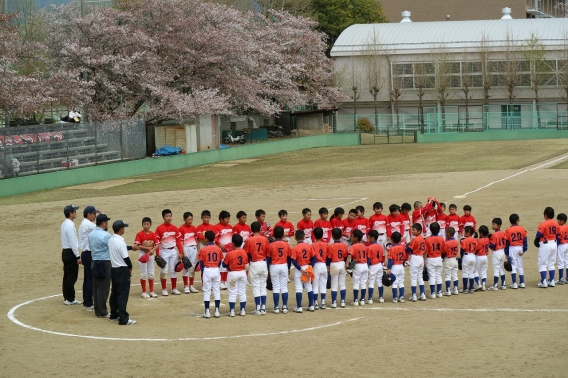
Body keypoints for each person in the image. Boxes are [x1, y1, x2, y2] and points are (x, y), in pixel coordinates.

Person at [108, 220, 136, 325]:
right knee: (122, 294)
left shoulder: (111, 239)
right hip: (122, 270)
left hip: (114, 269)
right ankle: (123, 318)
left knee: (114, 292)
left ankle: (113, 314)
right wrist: (130, 267)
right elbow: (126, 258)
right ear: (120, 229)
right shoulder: (120, 242)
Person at [155, 209, 184, 296]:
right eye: (167, 216)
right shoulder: (159, 228)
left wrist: (180, 252)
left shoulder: (175, 228)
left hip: (173, 251)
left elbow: (178, 241)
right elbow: (157, 242)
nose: (169, 218)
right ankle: (164, 289)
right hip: (164, 251)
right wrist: (157, 254)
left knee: (173, 270)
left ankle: (174, 289)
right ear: (163, 217)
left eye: (170, 216)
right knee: (164, 270)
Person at [88, 214, 112, 317]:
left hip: (94, 262)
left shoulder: (91, 234)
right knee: (104, 288)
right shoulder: (106, 235)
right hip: (104, 263)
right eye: (106, 222)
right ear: (103, 223)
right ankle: (102, 311)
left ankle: (97, 309)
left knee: (96, 287)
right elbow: (113, 246)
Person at [243, 222, 269, 315]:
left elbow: (247, 254)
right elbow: (267, 252)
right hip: (263, 263)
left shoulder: (249, 240)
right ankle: (263, 308)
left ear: (251, 230)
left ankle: (258, 308)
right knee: (263, 286)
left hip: (254, 264)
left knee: (256, 287)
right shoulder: (265, 239)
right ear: (260, 229)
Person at [222, 234, 249, 317]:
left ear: (232, 243)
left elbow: (223, 265)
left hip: (233, 274)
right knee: (242, 292)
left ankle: (232, 311)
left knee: (232, 293)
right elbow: (246, 264)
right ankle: (243, 310)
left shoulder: (230, 253)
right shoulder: (244, 252)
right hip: (242, 273)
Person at [78, 205, 99, 311]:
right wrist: (103, 215)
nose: (95, 216)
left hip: (85, 253)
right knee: (90, 279)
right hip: (89, 254)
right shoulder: (88, 225)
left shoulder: (83, 224)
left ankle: (86, 301)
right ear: (88, 214)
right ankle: (89, 302)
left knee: (87, 279)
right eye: (94, 214)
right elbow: (101, 229)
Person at [198, 230, 223, 318]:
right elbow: (220, 261)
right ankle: (217, 311)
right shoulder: (218, 248)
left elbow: (201, 263)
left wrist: (203, 272)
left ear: (206, 239)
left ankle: (207, 311)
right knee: (216, 291)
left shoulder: (203, 249)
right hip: (216, 269)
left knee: (207, 291)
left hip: (207, 270)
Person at [267, 226, 292, 313]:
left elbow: (268, 259)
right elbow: (289, 258)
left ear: (273, 234)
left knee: (276, 287)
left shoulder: (270, 245)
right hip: (284, 265)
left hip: (274, 266)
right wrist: (288, 267)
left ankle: (276, 307)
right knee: (284, 287)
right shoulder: (286, 244)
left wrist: (268, 269)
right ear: (282, 235)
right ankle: (284, 306)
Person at [290, 230, 316, 313]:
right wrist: (310, 266)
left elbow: (293, 261)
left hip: (299, 269)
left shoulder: (295, 248)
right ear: (304, 237)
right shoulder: (309, 246)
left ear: (295, 238)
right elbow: (314, 257)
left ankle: (299, 307)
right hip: (307, 267)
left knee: (298, 288)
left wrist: (300, 269)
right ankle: (311, 306)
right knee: (309, 287)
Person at [61, 204, 82, 306]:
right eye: (74, 211)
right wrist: (77, 256)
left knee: (67, 276)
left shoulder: (64, 224)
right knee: (71, 277)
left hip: (65, 252)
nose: (76, 213)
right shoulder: (70, 226)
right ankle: (70, 298)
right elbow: (73, 243)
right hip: (70, 253)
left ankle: (66, 297)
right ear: (70, 213)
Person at [133, 217, 159, 298]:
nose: (146, 226)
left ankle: (151, 291)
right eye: (145, 224)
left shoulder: (152, 234)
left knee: (151, 273)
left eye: (148, 224)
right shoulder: (139, 234)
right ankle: (144, 291)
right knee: (143, 273)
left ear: (150, 225)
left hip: (150, 255)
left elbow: (157, 244)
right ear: (142, 225)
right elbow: (136, 245)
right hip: (142, 255)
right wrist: (147, 248)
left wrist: (152, 250)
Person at [535, 207, 559, 288]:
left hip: (545, 245)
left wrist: (537, 239)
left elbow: (539, 234)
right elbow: (558, 235)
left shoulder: (543, 223)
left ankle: (543, 281)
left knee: (542, 263)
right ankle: (552, 281)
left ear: (545, 215)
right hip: (554, 244)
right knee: (551, 263)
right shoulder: (556, 223)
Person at [504, 214, 527, 289]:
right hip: (520, 247)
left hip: (512, 248)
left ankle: (514, 283)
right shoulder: (522, 229)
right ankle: (522, 283)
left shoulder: (508, 230)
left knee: (513, 265)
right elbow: (525, 240)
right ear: (517, 221)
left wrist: (506, 253)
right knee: (520, 265)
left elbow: (506, 243)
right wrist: (524, 249)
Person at [346, 229, 368, 306]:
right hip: (365, 265)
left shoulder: (353, 246)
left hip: (358, 265)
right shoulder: (364, 245)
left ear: (356, 238)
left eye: (352, 236)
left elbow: (349, 256)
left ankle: (355, 300)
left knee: (356, 283)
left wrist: (347, 265)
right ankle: (362, 300)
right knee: (363, 282)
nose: (351, 237)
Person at [326, 228, 348, 308]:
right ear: (341, 236)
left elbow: (328, 258)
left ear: (332, 236)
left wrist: (328, 268)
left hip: (334, 264)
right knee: (342, 284)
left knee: (334, 285)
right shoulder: (344, 245)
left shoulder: (330, 246)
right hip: (342, 263)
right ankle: (342, 302)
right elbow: (346, 257)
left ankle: (334, 302)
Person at [179, 212, 199, 294]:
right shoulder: (181, 229)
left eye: (191, 219)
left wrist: (199, 250)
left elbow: (197, 240)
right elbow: (180, 241)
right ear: (184, 219)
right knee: (186, 267)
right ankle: (186, 286)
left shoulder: (194, 228)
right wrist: (183, 252)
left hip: (194, 247)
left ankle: (191, 285)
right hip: (186, 248)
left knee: (193, 267)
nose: (190, 221)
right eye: (189, 219)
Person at [406, 223, 426, 302]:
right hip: (421, 258)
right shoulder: (422, 239)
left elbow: (409, 250)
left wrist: (405, 247)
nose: (412, 231)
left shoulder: (415, 239)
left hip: (415, 258)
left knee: (413, 277)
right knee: (420, 276)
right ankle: (422, 294)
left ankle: (414, 295)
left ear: (419, 231)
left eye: (414, 230)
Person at [385, 231, 407, 303]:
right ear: (400, 239)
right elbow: (404, 258)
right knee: (401, 282)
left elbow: (390, 259)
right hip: (401, 266)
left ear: (392, 240)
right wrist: (402, 265)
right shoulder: (402, 247)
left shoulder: (391, 249)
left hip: (394, 266)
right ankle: (402, 297)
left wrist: (389, 268)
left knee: (394, 282)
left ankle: (395, 298)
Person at [215, 210, 233, 290]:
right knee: (221, 266)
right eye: (226, 219)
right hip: (221, 250)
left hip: (229, 250)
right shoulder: (216, 227)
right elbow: (215, 238)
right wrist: (219, 244)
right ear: (221, 219)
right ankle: (221, 281)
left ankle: (225, 281)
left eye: (229, 218)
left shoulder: (230, 227)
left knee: (227, 266)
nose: (228, 220)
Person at [425, 222, 445, 298]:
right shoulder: (441, 238)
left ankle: (433, 293)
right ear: (439, 230)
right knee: (438, 276)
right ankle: (439, 292)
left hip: (430, 259)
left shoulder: (427, 239)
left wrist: (424, 260)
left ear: (430, 230)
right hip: (439, 258)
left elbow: (426, 251)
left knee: (432, 276)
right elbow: (443, 250)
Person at [311, 228, 329, 309]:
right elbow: (328, 257)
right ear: (322, 235)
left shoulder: (312, 245)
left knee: (315, 284)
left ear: (314, 235)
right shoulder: (325, 244)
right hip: (323, 265)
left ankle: (315, 302)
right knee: (323, 284)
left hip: (316, 265)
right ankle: (323, 302)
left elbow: (312, 257)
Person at [366, 230, 385, 304]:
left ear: (373, 238)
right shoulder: (380, 246)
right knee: (379, 281)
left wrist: (367, 267)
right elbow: (383, 257)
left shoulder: (370, 247)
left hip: (372, 266)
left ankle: (370, 299)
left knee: (371, 282)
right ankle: (381, 297)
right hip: (379, 265)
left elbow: (368, 259)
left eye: (369, 237)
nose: (368, 239)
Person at [488, 218, 507, 291]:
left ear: (498, 225)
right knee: (500, 268)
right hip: (502, 251)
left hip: (496, 252)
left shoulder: (494, 234)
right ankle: (503, 284)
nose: (492, 225)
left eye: (494, 224)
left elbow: (492, 245)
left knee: (496, 268)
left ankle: (495, 285)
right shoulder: (503, 233)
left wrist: (489, 242)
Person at [460, 226, 478, 294]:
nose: (463, 233)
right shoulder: (475, 240)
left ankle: (465, 288)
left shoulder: (465, 240)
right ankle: (471, 288)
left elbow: (462, 250)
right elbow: (476, 249)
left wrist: (462, 258)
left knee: (465, 273)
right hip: (473, 256)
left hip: (467, 256)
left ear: (468, 233)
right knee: (471, 273)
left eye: (465, 232)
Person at [442, 227, 460, 295]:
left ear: (448, 234)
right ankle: (455, 289)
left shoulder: (446, 243)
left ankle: (448, 290)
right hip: (455, 259)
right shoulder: (456, 241)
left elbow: (443, 252)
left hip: (448, 259)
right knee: (454, 275)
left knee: (447, 275)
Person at [474, 225, 490, 291]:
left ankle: (478, 284)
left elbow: (476, 249)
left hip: (479, 256)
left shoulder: (478, 241)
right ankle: (483, 285)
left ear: (480, 233)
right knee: (483, 272)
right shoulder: (487, 239)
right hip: (485, 257)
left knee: (475, 271)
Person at [556, 213, 568, 284]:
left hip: (561, 245)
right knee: (567, 261)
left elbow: (558, 239)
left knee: (560, 262)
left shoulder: (559, 228)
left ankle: (561, 279)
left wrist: (556, 246)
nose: (557, 221)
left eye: (558, 220)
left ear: (562, 221)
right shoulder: (567, 227)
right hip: (567, 244)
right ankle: (567, 278)